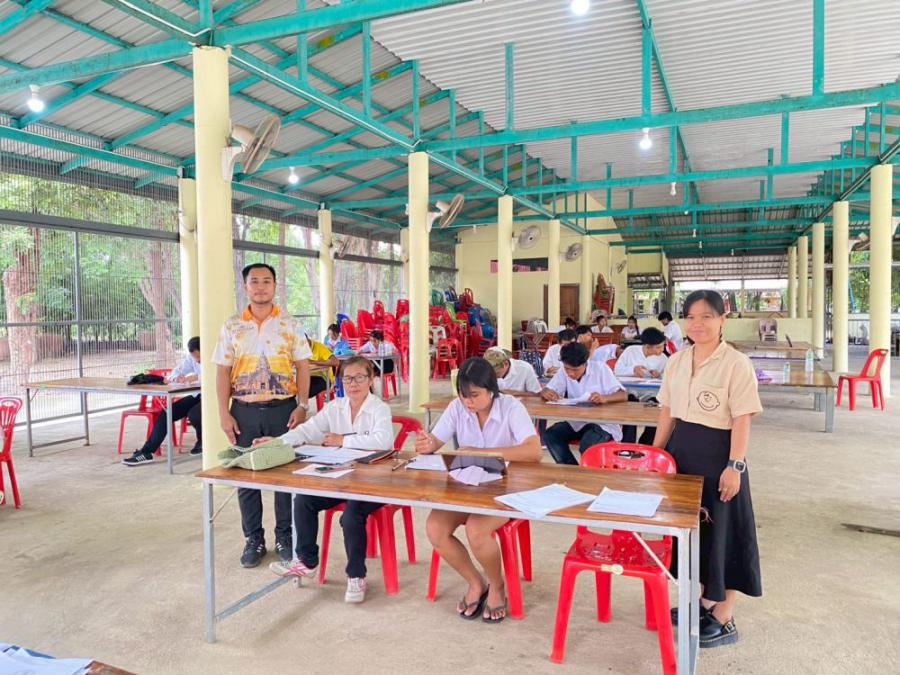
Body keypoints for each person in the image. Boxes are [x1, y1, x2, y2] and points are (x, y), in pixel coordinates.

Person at [652, 290, 762, 648]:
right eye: (691, 317)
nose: (697, 324)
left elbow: (742, 418)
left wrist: (735, 466)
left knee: (725, 534)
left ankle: (724, 615)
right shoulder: (677, 360)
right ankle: (703, 602)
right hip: (681, 455)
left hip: (719, 458)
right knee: (693, 534)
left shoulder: (736, 364)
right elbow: (667, 411)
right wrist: (656, 455)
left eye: (706, 317)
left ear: (722, 320)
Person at [415, 357, 542, 622]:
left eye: (474, 395)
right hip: (467, 486)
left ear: (492, 390)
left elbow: (533, 451)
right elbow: (436, 441)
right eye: (463, 395)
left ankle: (497, 585)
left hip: (504, 488)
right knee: (435, 528)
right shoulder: (457, 407)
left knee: (476, 530)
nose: (468, 402)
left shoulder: (510, 407)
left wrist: (485, 453)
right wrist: (427, 444)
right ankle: (476, 582)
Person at [260, 357, 393, 604]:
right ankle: (307, 561)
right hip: (340, 478)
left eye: (359, 378)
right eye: (347, 379)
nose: (353, 384)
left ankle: (356, 575)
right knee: (304, 500)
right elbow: (307, 430)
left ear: (371, 379)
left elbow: (383, 441)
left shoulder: (379, 408)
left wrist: (343, 440)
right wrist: (277, 442)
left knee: (351, 516)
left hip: (372, 483)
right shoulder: (335, 407)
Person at [214, 263, 312, 568]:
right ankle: (253, 539)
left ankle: (285, 536)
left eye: (266, 281)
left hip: (283, 408)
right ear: (245, 287)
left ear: (275, 286)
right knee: (247, 478)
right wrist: (223, 413)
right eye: (254, 281)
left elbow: (303, 367)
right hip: (243, 411)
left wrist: (303, 405)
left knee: (284, 475)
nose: (260, 286)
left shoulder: (290, 324)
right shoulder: (232, 326)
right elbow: (222, 371)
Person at [540, 342, 627, 465]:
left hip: (601, 424)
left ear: (585, 363)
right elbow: (547, 389)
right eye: (567, 369)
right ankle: (570, 469)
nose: (570, 373)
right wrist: (546, 392)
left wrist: (604, 398)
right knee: (550, 435)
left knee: (587, 446)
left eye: (575, 370)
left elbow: (623, 395)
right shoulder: (564, 371)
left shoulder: (600, 369)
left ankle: (587, 473)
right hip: (576, 422)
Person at [122, 336, 203, 466]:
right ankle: (146, 452)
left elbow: (209, 375)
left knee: (194, 414)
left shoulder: (212, 357)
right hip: (197, 395)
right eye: (195, 357)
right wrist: (177, 377)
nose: (197, 360)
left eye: (199, 356)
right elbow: (176, 371)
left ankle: (202, 442)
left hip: (211, 396)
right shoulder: (191, 358)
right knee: (166, 413)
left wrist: (193, 378)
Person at [616, 328, 667, 445]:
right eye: (659, 347)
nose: (662, 350)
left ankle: (647, 442)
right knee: (630, 408)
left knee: (655, 410)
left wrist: (659, 375)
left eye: (663, 346)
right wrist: (632, 370)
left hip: (651, 393)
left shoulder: (663, 358)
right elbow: (617, 370)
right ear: (648, 347)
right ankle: (628, 443)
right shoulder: (631, 351)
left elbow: (668, 377)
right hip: (631, 392)